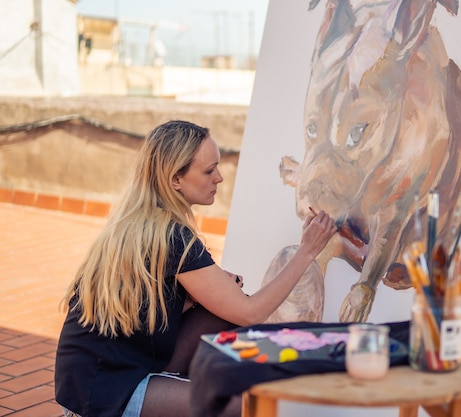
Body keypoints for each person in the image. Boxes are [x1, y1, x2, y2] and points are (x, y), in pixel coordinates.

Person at [54, 120, 337, 417]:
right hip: (102, 388)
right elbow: (251, 311)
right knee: (244, 405)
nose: (219, 178)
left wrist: (194, 295)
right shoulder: (170, 236)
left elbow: (145, 297)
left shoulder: (143, 220)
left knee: (219, 313)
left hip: (112, 365)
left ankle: (186, 391)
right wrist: (307, 251)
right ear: (176, 179)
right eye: (208, 170)